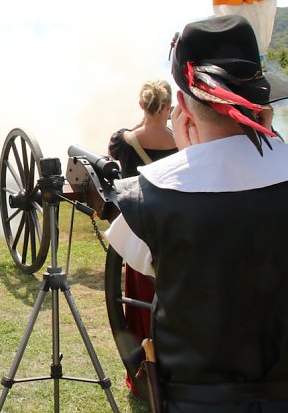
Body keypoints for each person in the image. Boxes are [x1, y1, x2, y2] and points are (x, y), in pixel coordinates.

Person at [105, 15, 288, 413]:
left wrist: (188, 156)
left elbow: (150, 263)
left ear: (181, 105)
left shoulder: (151, 193)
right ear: (262, 99)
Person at [107, 79, 176, 395]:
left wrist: (144, 122)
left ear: (142, 105)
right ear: (167, 107)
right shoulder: (180, 141)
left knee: (141, 304)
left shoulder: (124, 141)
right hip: (173, 230)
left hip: (140, 231)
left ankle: (142, 372)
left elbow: (118, 144)